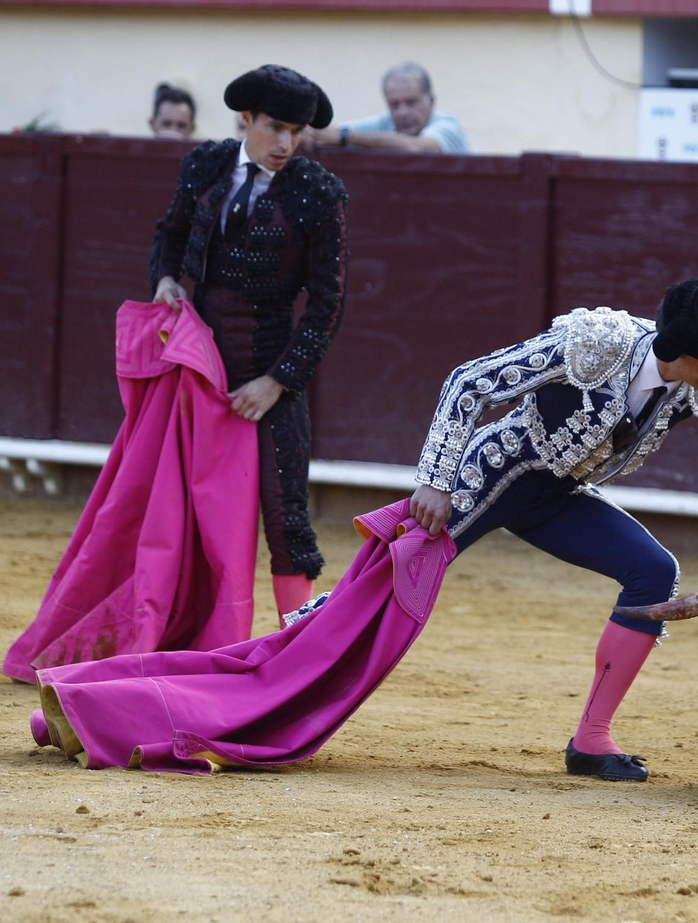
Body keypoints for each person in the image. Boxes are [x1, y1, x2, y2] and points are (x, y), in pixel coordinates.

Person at [407, 280, 698, 782]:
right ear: (676, 351)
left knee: (653, 572)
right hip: (490, 476)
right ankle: (320, 675)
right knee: (393, 575)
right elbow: (468, 381)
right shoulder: (599, 342)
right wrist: (436, 480)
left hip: (558, 498)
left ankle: (591, 740)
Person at [150, 64, 349, 621]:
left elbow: (328, 305)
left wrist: (276, 382)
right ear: (247, 119)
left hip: (271, 367)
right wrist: (165, 279)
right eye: (275, 127)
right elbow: (170, 232)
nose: (286, 144)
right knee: (181, 508)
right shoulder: (205, 165)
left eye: (297, 131)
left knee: (286, 516)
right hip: (200, 366)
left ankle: (298, 645)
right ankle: (179, 634)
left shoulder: (318, 193)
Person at [324, 62, 470, 153]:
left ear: (431, 101)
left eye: (411, 102)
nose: (402, 112)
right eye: (394, 105)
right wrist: (315, 133)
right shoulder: (385, 123)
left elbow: (417, 148)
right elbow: (333, 133)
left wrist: (345, 137)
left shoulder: (448, 126)